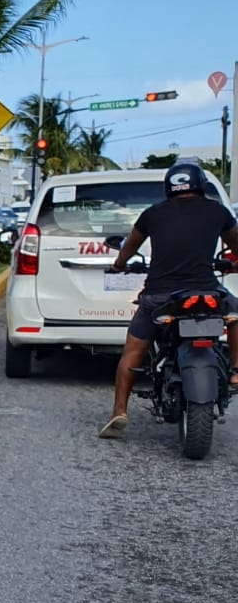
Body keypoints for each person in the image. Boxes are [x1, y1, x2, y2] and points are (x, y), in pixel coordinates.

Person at [99, 163, 238, 439]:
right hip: (206, 291)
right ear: (199, 184)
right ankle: (235, 369)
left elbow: (130, 246)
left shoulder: (153, 214)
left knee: (132, 352)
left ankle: (119, 411)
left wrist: (118, 265)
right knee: (234, 314)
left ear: (169, 187)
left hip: (159, 296)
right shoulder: (218, 211)